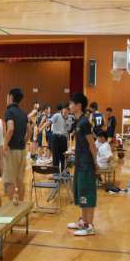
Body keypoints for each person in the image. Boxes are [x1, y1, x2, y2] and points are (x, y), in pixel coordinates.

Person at [68, 93, 98, 236]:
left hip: (87, 164)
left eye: (71, 103)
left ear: (78, 105)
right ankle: (84, 221)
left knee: (87, 193)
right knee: (81, 193)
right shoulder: (78, 121)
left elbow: (92, 145)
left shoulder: (85, 122)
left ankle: (89, 226)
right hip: (80, 163)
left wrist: (95, 163)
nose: (69, 106)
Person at [3, 88, 28, 202]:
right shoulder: (23, 113)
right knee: (20, 180)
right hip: (22, 150)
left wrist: (4, 145)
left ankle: (11, 208)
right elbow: (30, 131)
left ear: (11, 97)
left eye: (7, 96)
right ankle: (21, 205)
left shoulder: (9, 111)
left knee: (9, 181)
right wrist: (23, 142)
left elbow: (10, 129)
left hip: (12, 150)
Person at [50, 103, 69, 171]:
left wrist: (68, 140)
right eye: (64, 109)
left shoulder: (69, 118)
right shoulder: (57, 115)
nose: (65, 111)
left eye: (67, 110)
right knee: (55, 156)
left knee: (63, 156)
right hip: (55, 137)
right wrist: (41, 128)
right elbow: (49, 122)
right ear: (62, 110)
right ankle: (56, 173)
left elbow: (68, 130)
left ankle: (64, 172)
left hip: (63, 138)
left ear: (69, 111)